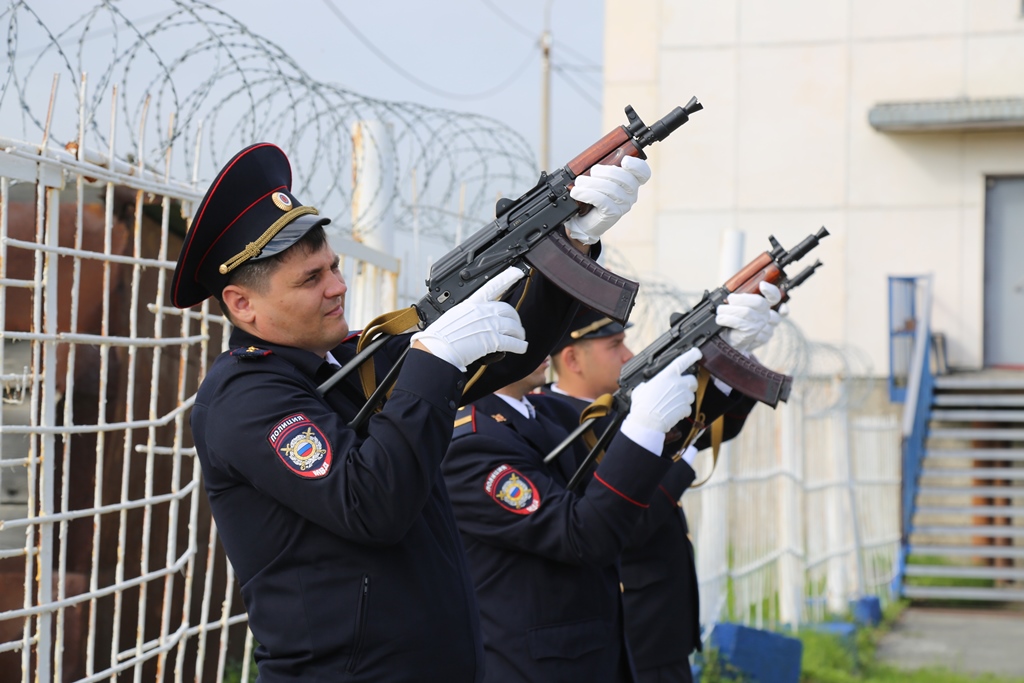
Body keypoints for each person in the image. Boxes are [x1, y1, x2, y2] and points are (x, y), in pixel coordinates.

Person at [170, 142, 652, 682]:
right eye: (311, 279)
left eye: (331, 266)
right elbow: (371, 501)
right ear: (242, 304)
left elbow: (510, 351)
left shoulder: (347, 362)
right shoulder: (245, 395)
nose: (337, 286)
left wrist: (571, 243)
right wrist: (433, 360)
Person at [543, 297, 782, 683]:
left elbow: (716, 427)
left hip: (664, 621)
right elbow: (627, 524)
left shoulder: (627, 406)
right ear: (572, 360)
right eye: (614, 346)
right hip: (634, 626)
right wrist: (682, 456)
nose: (629, 354)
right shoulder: (558, 424)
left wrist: (732, 357)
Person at [441, 345, 704, 682]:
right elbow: (582, 533)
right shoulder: (469, 442)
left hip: (595, 656)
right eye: (527, 326)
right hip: (534, 669)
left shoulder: (546, 412)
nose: (544, 341)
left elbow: (636, 462)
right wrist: (647, 424)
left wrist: (716, 368)